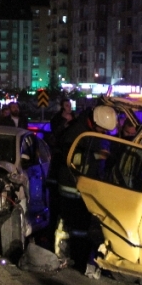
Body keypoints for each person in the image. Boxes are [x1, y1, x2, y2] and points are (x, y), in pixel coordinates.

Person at [52, 105, 118, 274]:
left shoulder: (90, 131)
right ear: (95, 122)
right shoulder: (77, 131)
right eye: (102, 130)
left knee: (81, 226)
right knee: (68, 224)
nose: (103, 133)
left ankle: (77, 257)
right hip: (71, 184)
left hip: (85, 185)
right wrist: (96, 157)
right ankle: (62, 256)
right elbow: (70, 156)